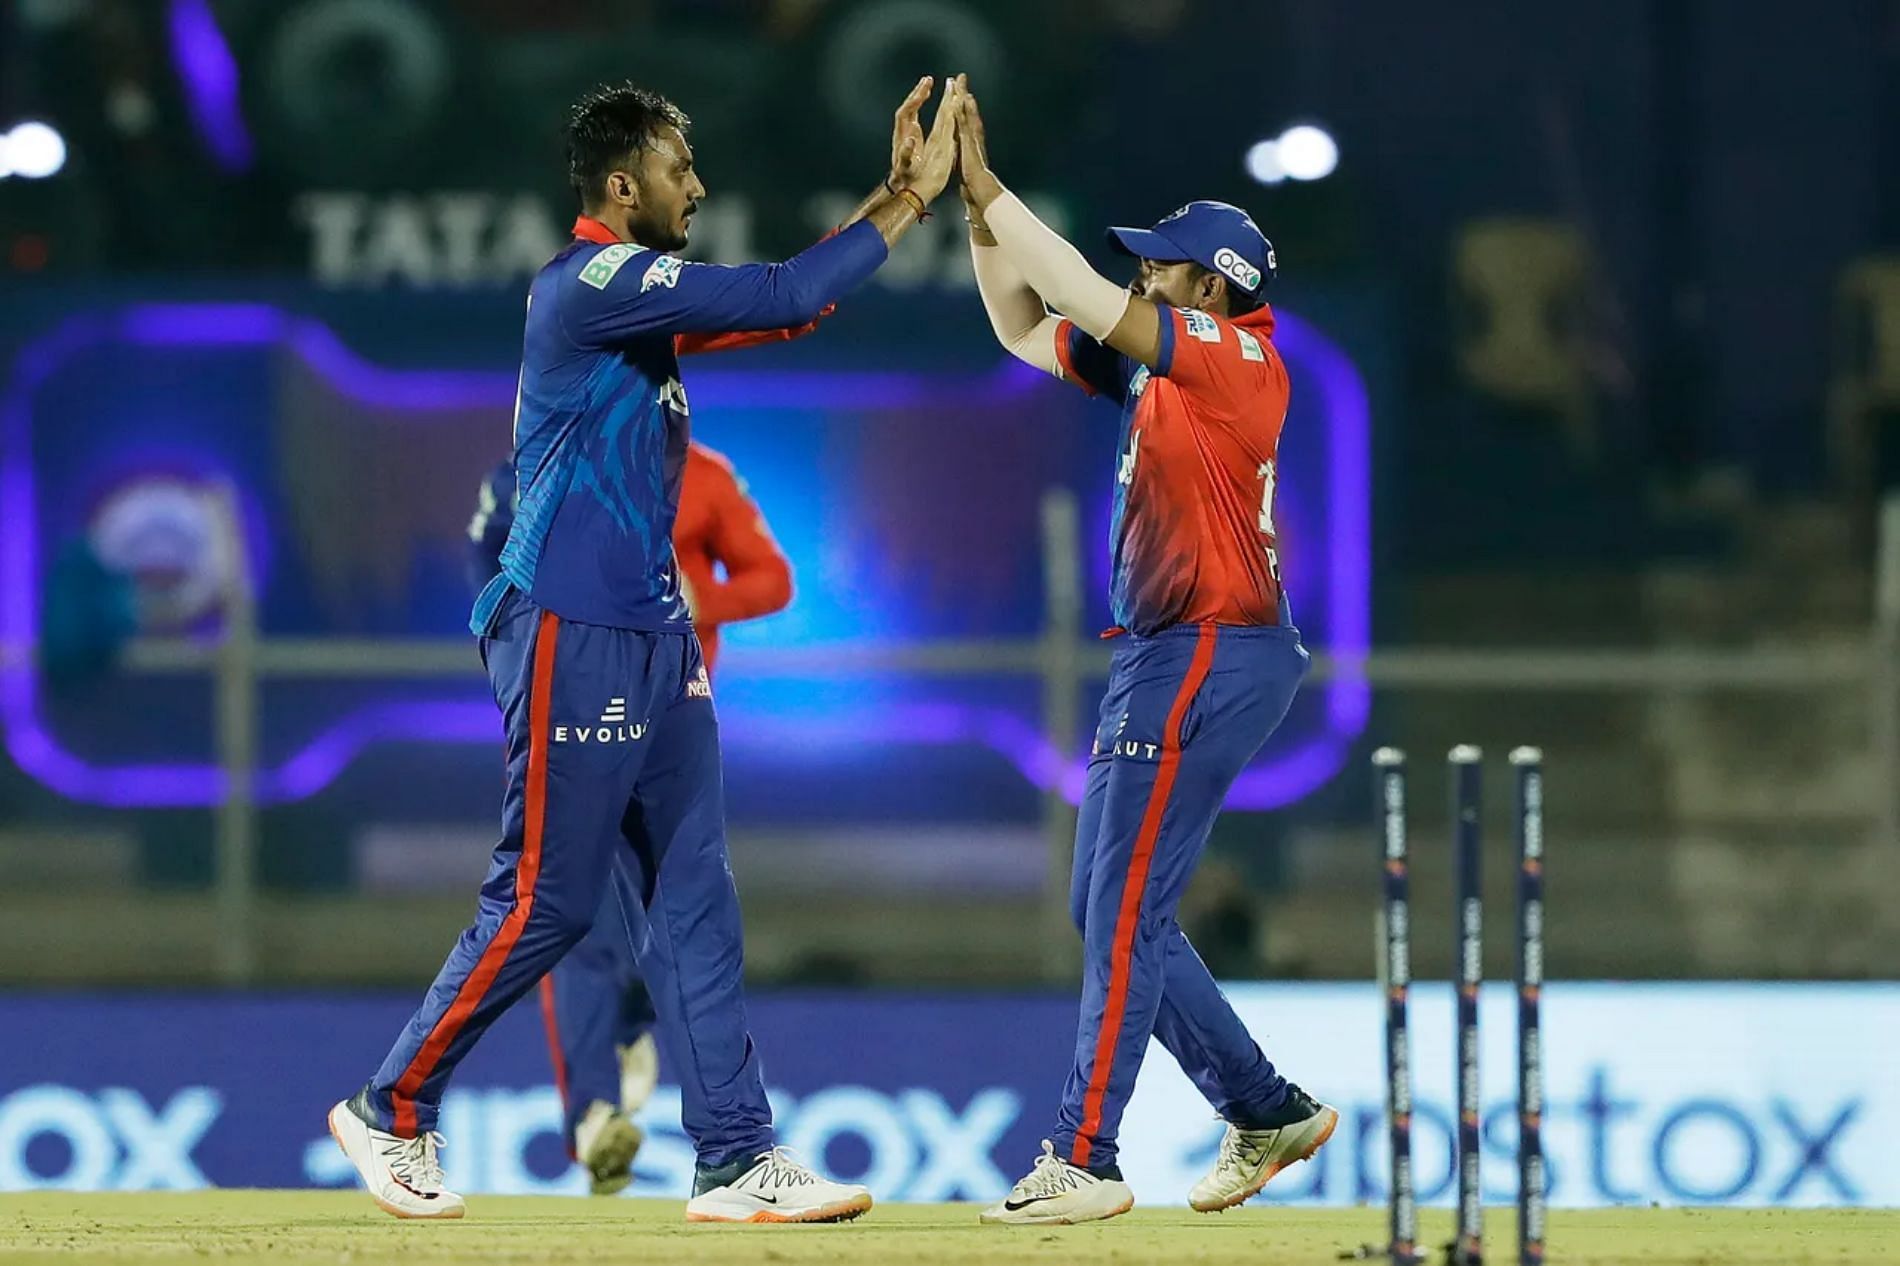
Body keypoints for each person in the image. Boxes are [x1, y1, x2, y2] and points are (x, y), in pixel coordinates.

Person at [328, 73, 964, 1223]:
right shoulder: (593, 281)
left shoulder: (638, 304)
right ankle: (393, 1110)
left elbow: (796, 306)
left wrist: (890, 211)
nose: (700, 185)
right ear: (623, 188)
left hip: (657, 636)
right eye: (681, 169)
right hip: (573, 625)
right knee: (548, 900)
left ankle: (733, 1155)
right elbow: (780, 290)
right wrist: (907, 200)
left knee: (695, 897)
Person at [951, 81, 1337, 1225]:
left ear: (1212, 288)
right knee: (1111, 906)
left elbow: (1065, 283)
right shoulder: (1167, 366)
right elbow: (1020, 325)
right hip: (1172, 650)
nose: (1142, 277)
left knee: (1117, 907)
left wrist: (982, 185)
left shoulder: (1229, 356)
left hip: (1208, 647)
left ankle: (1082, 1158)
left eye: (1162, 267)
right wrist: (977, 224)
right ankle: (1263, 1108)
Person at [466, 440, 794, 1195]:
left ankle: (631, 1030)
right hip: (571, 717)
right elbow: (485, 554)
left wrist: (705, 600)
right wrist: (510, 647)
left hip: (670, 731)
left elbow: (773, 577)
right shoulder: (538, 468)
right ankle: (593, 1114)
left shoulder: (703, 476)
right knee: (567, 909)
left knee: (664, 916)